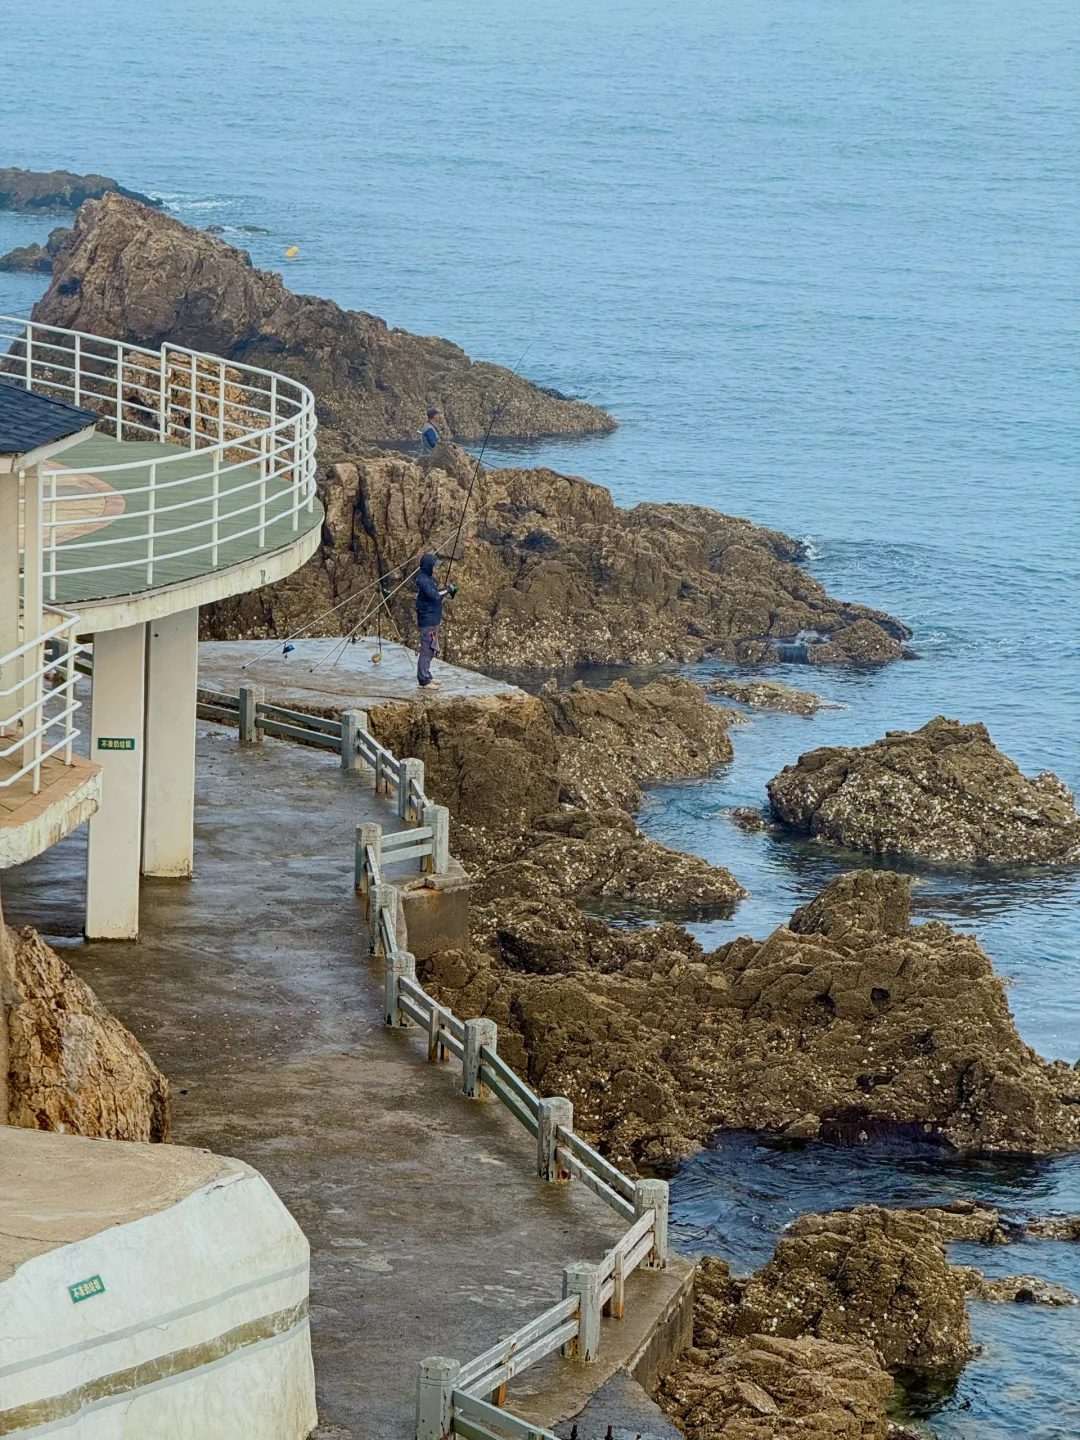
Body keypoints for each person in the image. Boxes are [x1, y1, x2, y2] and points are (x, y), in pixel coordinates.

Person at [415, 553, 455, 688]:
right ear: (428, 566)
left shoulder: (428, 579)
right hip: (428, 621)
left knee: (430, 649)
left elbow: (437, 595)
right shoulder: (423, 581)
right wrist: (448, 590)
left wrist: (448, 591)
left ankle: (427, 675)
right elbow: (435, 595)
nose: (436, 569)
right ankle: (423, 680)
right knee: (427, 649)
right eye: (434, 566)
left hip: (433, 620)